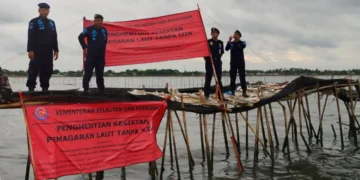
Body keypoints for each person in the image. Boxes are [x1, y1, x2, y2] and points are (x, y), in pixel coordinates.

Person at [26, 2, 59, 92]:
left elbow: (54, 37)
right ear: (39, 11)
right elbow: (30, 36)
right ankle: (31, 88)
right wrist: (30, 50)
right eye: (42, 10)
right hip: (36, 50)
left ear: (48, 11)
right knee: (33, 69)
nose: (44, 12)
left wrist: (56, 50)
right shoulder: (33, 21)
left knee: (47, 69)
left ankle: (45, 88)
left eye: (46, 10)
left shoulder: (52, 23)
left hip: (48, 51)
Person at [78, 14, 108, 92]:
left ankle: (101, 90)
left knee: (100, 74)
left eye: (101, 20)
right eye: (98, 20)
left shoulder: (104, 30)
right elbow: (80, 37)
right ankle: (85, 89)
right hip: (91, 55)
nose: (100, 22)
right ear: (94, 21)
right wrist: (84, 47)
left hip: (101, 56)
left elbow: (105, 42)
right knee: (88, 73)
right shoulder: (88, 29)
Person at [225, 30, 249, 97]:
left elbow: (243, 46)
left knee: (242, 77)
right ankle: (232, 92)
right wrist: (229, 41)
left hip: (241, 62)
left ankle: (244, 92)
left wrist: (238, 40)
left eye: (237, 35)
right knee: (232, 77)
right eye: (235, 34)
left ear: (239, 36)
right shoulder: (231, 43)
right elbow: (226, 49)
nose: (235, 35)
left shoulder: (242, 42)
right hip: (233, 62)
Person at [203, 27, 224, 100]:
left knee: (218, 79)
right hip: (209, 62)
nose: (215, 34)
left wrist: (217, 58)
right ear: (211, 34)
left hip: (217, 62)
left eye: (216, 33)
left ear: (218, 34)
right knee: (208, 78)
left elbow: (221, 53)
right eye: (213, 33)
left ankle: (220, 95)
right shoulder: (208, 42)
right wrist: (207, 60)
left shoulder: (220, 43)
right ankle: (206, 95)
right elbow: (204, 53)